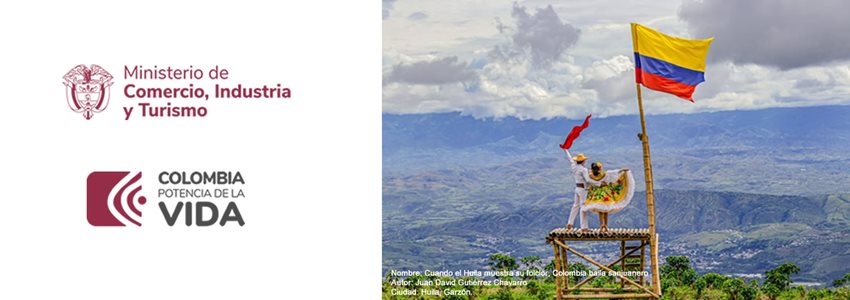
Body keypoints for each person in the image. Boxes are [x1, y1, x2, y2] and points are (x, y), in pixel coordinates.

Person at [583, 161, 634, 232]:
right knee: (606, 210)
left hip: (597, 194)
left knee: (600, 210)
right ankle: (606, 226)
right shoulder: (604, 174)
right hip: (606, 193)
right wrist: (622, 170)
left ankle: (601, 226)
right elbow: (614, 173)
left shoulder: (591, 176)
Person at [564, 149, 600, 231]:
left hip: (577, 188)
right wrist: (598, 184)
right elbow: (588, 180)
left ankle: (570, 222)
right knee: (583, 207)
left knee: (575, 206)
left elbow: (570, 158)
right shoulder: (583, 170)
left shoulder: (574, 166)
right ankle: (584, 227)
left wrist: (566, 150)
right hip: (583, 189)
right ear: (583, 161)